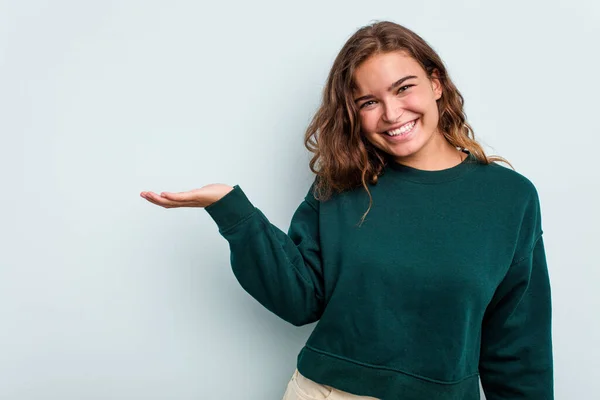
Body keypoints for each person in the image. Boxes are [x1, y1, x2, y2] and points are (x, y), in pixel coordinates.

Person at [140, 20, 553, 400]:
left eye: (404, 87)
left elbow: (518, 344)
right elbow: (300, 300)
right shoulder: (342, 184)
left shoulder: (509, 198)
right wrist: (232, 211)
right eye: (369, 101)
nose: (392, 114)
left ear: (436, 83)